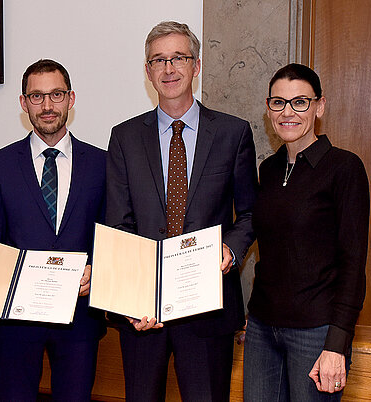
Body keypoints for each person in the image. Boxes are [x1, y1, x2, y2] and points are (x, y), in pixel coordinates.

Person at [105, 21, 258, 401]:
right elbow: (119, 223)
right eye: (158, 60)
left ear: (196, 65)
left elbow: (252, 214)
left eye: (178, 58)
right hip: (143, 312)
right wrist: (127, 297)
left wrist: (232, 249)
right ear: (147, 71)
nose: (169, 68)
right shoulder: (124, 137)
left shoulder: (233, 133)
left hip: (208, 308)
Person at [0, 59, 106, 401]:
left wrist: (100, 272)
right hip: (17, 322)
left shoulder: (102, 164)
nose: (47, 106)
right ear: (23, 103)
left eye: (56, 95)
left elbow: (113, 234)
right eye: (36, 96)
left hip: (80, 319)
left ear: (71, 98)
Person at [243, 63, 369, 401]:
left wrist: (337, 345)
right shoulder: (267, 170)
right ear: (268, 108)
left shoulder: (344, 168)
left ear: (319, 106)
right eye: (278, 102)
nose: (288, 112)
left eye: (300, 102)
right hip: (262, 329)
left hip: (317, 332)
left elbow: (353, 264)